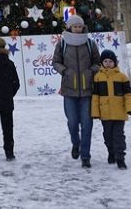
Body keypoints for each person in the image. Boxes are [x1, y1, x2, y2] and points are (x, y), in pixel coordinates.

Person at [52, 14, 101, 168]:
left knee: (87, 124)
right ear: (70, 27)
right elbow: (55, 62)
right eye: (75, 26)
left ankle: (85, 156)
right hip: (69, 91)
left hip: (87, 91)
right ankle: (76, 143)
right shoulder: (62, 44)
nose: (78, 29)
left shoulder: (90, 43)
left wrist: (90, 71)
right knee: (73, 122)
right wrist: (65, 71)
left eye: (80, 26)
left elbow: (97, 62)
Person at [92, 50, 131, 169]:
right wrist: (95, 112)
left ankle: (120, 157)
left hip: (119, 113)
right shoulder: (98, 77)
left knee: (118, 136)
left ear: (115, 62)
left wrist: (129, 108)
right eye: (105, 61)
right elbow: (95, 97)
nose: (108, 63)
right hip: (105, 114)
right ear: (102, 63)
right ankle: (111, 152)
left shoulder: (122, 77)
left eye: (110, 61)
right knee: (108, 136)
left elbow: (129, 95)